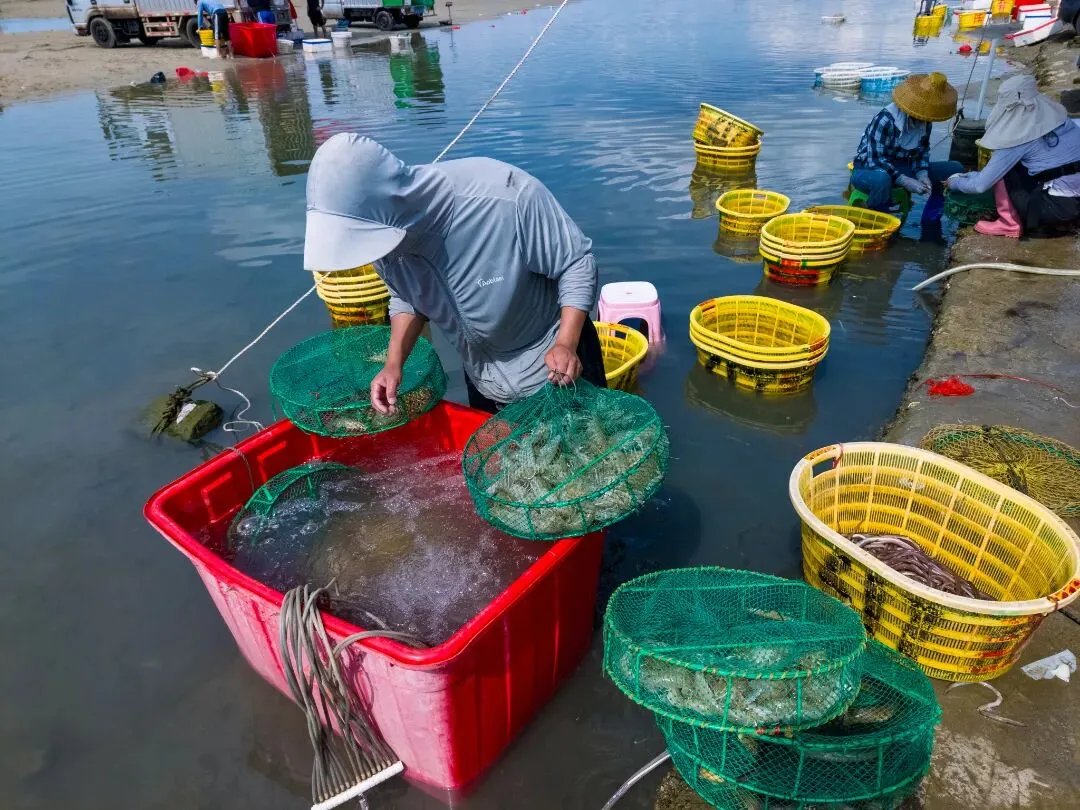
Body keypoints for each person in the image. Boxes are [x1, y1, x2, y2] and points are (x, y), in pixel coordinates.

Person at [303, 134, 606, 415]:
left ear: (389, 202)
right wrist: (393, 364)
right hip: (484, 378)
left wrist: (566, 343)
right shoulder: (379, 238)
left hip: (558, 367)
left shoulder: (504, 197)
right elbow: (406, 298)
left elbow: (576, 262)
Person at [945, 75, 1080, 239]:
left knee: (1006, 170)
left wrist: (954, 182)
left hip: (1054, 210)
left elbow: (980, 186)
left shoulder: (1016, 139)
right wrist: (971, 175)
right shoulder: (1064, 122)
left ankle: (1009, 223)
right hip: (1075, 201)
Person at [850, 72, 963, 224]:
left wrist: (922, 174)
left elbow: (921, 153)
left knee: (954, 169)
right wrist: (904, 180)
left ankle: (931, 219)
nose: (924, 119)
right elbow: (875, 160)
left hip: (903, 167)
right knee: (882, 180)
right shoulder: (885, 120)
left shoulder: (925, 122)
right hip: (868, 170)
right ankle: (877, 222)